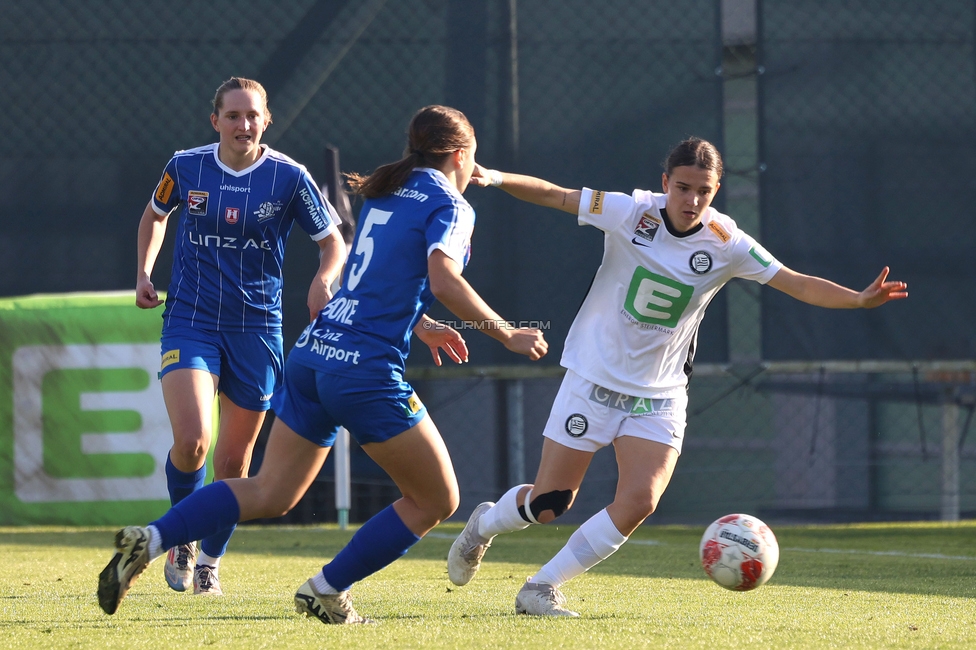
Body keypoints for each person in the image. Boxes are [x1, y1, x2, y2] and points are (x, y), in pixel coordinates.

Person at [99, 105, 549, 622]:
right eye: (473, 158)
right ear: (459, 153)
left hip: (314, 353)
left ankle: (153, 537)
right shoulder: (450, 203)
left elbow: (372, 280)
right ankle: (327, 588)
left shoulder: (389, 191)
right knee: (436, 500)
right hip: (363, 370)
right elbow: (443, 280)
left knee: (271, 491)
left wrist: (422, 325)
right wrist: (506, 332)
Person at [447, 137, 909, 616]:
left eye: (704, 192)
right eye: (683, 187)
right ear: (665, 182)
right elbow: (556, 195)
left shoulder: (726, 242)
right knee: (549, 504)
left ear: (715, 192)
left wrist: (857, 299)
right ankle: (484, 524)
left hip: (660, 392)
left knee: (640, 500)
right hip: (593, 379)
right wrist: (494, 176)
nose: (692, 201)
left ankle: (540, 587)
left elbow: (793, 281)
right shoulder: (629, 212)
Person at [135, 77, 348, 596]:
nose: (243, 125)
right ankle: (181, 536)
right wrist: (144, 271)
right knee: (193, 442)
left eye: (252, 115)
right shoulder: (185, 165)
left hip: (258, 328)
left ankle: (210, 559)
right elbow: (155, 216)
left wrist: (324, 279)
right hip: (191, 318)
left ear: (266, 120)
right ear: (216, 121)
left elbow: (333, 242)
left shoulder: (288, 176)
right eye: (233, 115)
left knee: (234, 463)